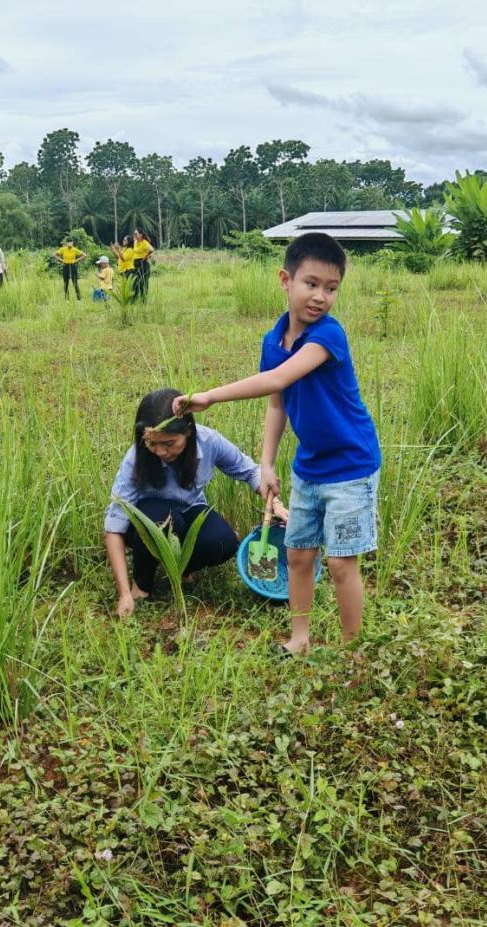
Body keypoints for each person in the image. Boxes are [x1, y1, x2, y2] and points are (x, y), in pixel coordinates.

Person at [172, 232, 381, 657]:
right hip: (309, 468)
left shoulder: (329, 336)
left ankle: (352, 651)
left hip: (351, 466)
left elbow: (278, 379)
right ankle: (299, 640)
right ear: (285, 280)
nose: (320, 296)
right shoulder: (274, 340)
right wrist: (266, 464)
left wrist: (211, 395)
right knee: (298, 555)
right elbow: (277, 403)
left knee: (341, 562)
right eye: (311, 283)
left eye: (331, 288)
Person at [104, 388, 288, 618]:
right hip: (151, 520)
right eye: (153, 444)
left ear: (188, 431)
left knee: (223, 542)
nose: (160, 451)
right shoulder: (136, 460)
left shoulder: (209, 441)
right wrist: (123, 593)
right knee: (167, 522)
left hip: (190, 509)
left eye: (169, 443)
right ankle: (142, 585)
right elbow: (114, 528)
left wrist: (276, 504)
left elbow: (250, 471)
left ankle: (182, 570)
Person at [131, 228, 155, 301]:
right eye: (134, 234)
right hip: (135, 263)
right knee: (135, 281)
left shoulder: (144, 242)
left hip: (142, 263)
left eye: (136, 234)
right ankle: (134, 298)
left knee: (143, 282)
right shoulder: (135, 242)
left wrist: (145, 257)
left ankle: (143, 299)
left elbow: (151, 249)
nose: (134, 235)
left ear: (141, 235)